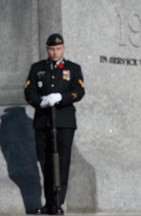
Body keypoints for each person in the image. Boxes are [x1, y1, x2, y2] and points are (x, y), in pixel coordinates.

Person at [24, 33, 85, 215]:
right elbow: (29, 91)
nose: (55, 52)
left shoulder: (73, 68)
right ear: (47, 49)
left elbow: (79, 90)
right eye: (51, 49)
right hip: (43, 122)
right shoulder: (38, 68)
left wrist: (62, 97)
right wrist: (40, 102)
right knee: (46, 163)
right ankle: (49, 203)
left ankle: (59, 203)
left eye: (58, 49)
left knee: (62, 162)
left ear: (63, 49)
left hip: (64, 122)